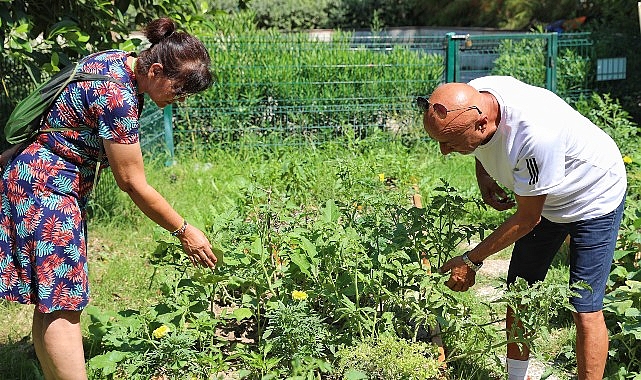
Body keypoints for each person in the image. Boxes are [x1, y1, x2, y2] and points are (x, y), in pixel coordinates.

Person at [0, 18, 218, 379]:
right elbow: (132, 182)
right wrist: (184, 230)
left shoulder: (118, 60)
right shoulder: (118, 95)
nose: (177, 101)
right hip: (46, 192)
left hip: (35, 181)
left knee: (51, 302)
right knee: (63, 304)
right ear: (157, 69)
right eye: (178, 90)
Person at [418, 76, 626, 380]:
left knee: (584, 307)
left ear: (481, 124)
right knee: (520, 293)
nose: (444, 152)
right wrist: (484, 173)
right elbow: (484, 143)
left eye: (449, 142)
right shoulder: (476, 94)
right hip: (544, 197)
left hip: (593, 195)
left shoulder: (535, 134)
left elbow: (528, 219)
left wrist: (471, 259)